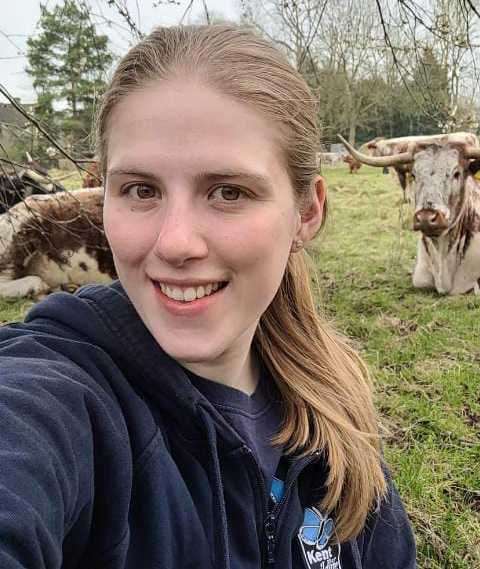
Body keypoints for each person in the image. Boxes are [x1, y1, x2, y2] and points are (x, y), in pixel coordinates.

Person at [0, 24, 416, 569]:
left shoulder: (336, 420)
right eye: (140, 190)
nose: (174, 243)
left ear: (306, 212)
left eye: (228, 192)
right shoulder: (54, 395)